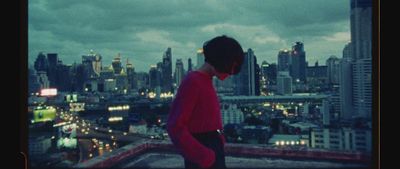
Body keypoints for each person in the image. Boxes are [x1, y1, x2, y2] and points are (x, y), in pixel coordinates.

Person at [167, 35, 244, 169]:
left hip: (210, 150)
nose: (231, 72)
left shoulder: (204, 80)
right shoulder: (193, 82)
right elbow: (175, 126)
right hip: (203, 153)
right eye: (231, 66)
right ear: (221, 60)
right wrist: (205, 156)